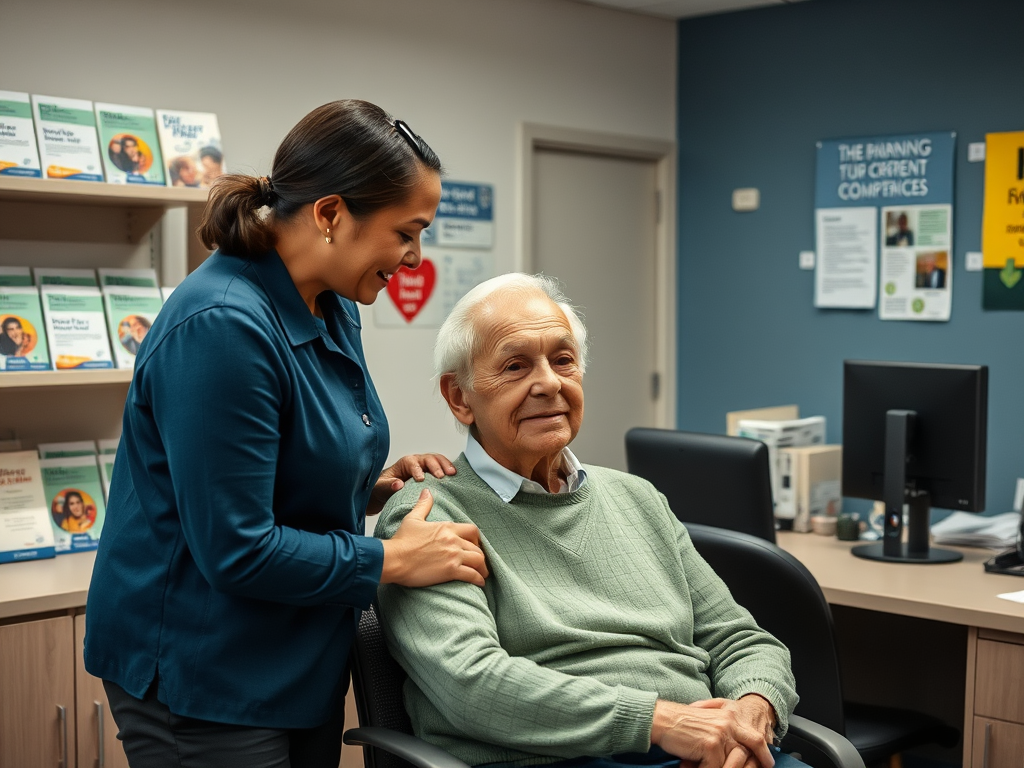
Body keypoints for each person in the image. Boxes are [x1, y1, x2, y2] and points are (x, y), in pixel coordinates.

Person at [84, 100, 489, 768]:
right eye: (406, 232)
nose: (416, 258)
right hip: (203, 674)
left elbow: (282, 474)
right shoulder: (222, 328)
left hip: (295, 655)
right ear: (331, 215)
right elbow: (236, 547)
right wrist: (390, 562)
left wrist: (375, 486)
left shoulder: (330, 302)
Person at [376, 274, 802, 768]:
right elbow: (472, 685)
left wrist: (751, 717)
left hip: (707, 750)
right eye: (515, 366)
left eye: (562, 360)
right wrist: (662, 723)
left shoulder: (637, 497)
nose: (549, 383)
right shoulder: (428, 515)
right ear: (460, 398)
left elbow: (740, 640)